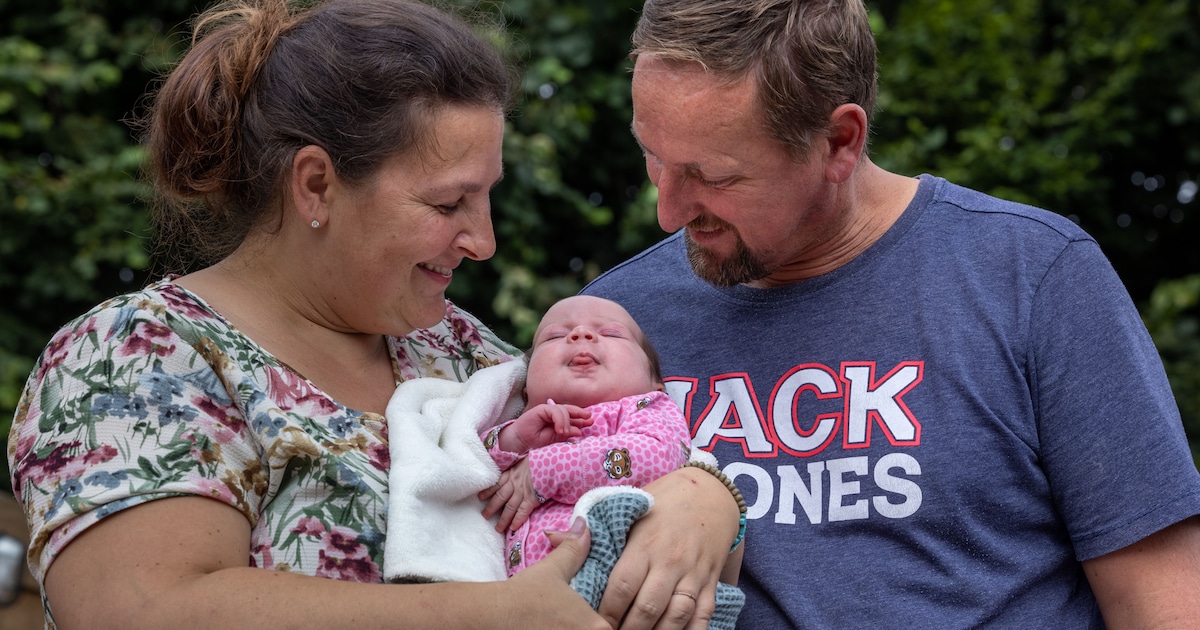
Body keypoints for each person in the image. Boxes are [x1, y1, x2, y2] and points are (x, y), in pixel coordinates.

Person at [5, 1, 743, 628]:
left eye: (487, 196)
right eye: (449, 202)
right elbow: (140, 609)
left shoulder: (462, 352)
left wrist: (704, 498)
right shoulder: (136, 356)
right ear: (316, 185)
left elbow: (618, 450)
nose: (482, 240)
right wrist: (489, 616)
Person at [582, 0, 1200, 627]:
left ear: (839, 142)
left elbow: (1165, 605)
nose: (668, 212)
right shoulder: (604, 328)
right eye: (653, 156)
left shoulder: (1031, 275)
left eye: (713, 176)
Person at [477, 295, 692, 575]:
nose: (580, 334)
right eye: (555, 336)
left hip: (622, 577)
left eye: (611, 333)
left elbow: (658, 456)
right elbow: (475, 469)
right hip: (528, 591)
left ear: (655, 384)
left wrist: (546, 469)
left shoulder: (646, 407)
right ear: (526, 388)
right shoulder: (524, 422)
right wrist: (515, 438)